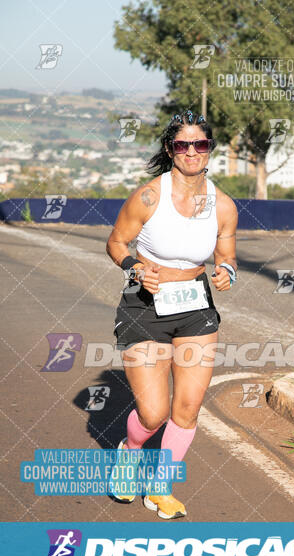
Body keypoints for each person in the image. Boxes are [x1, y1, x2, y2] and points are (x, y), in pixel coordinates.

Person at [106, 109, 238, 519]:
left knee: (187, 408)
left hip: (196, 307)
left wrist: (227, 271)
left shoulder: (223, 205)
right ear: (170, 149)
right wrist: (135, 269)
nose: (192, 152)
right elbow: (116, 242)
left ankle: (160, 487)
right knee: (153, 412)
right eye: (183, 145)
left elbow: (228, 253)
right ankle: (129, 453)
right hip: (145, 305)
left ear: (210, 149)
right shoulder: (148, 196)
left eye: (201, 144)